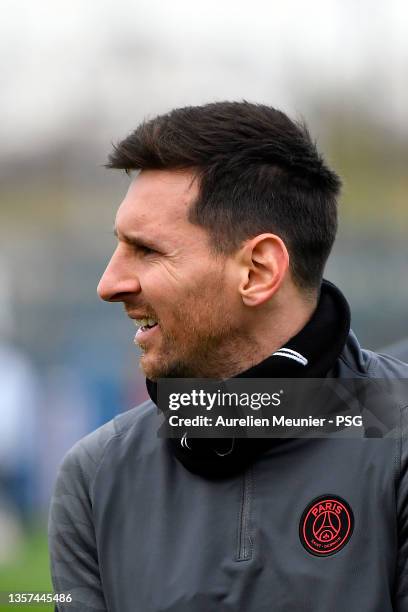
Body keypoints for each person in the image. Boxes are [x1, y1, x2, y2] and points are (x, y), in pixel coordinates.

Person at [48, 102, 408, 611]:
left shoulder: (399, 443)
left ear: (258, 271)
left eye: (146, 250)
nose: (109, 284)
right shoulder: (95, 475)